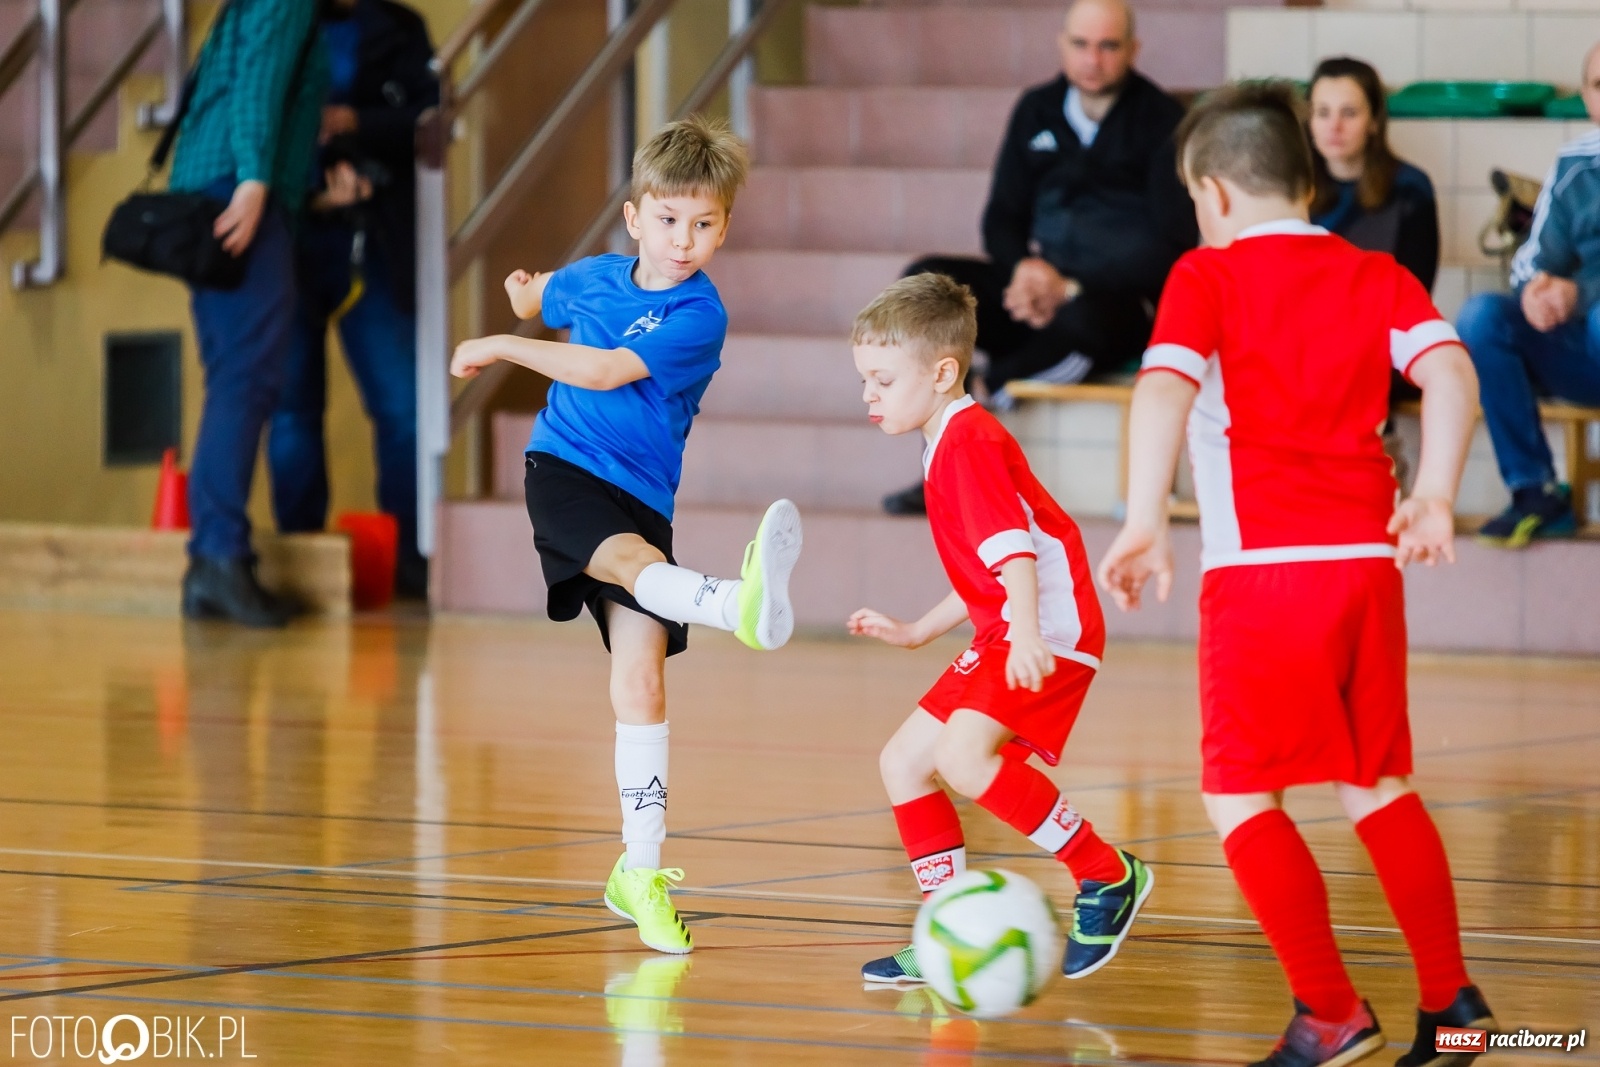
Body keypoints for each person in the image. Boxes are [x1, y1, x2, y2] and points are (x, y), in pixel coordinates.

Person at [1097, 84, 1494, 1067]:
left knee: (1239, 797)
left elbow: (1159, 387)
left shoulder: (1207, 272)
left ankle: (1329, 1010)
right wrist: (1435, 493)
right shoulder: (1373, 270)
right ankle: (1454, 1006)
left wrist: (1144, 517)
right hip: (1368, 565)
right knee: (1375, 782)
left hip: (1264, 575)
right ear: (1308, 180)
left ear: (1213, 192)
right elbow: (1451, 371)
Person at [448, 117, 803, 955]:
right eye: (670, 220)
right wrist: (524, 296)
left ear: (725, 227)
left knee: (641, 679)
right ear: (636, 216)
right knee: (633, 567)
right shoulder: (597, 279)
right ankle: (731, 603)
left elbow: (606, 369)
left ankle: (636, 872)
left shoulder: (699, 314)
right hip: (564, 469)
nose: (686, 241)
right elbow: (545, 297)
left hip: (644, 495)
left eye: (706, 224)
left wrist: (503, 341)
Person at [847, 274, 1153, 985]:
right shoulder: (944, 440)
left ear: (943, 372)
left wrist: (1025, 634)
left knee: (961, 757)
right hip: (1008, 626)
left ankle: (1107, 875)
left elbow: (1014, 549)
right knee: (904, 762)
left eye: (882, 379)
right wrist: (922, 628)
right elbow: (986, 567)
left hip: (1047, 627)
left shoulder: (968, 441)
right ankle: (946, 926)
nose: (869, 395)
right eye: (866, 379)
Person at [884, 0, 1196, 516]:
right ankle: (942, 457)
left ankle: (984, 392)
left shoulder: (1161, 120)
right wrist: (1023, 272)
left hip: (1114, 307)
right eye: (1080, 44)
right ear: (1061, 44)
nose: (1092, 59)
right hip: (1034, 295)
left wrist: (1069, 287)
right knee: (925, 285)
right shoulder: (1037, 109)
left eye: (1108, 46)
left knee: (1088, 320)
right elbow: (1001, 217)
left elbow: (1171, 243)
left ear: (1133, 51)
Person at [268, 0, 439, 599]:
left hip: (376, 243)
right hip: (289, 242)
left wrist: (351, 125)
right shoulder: (277, 23)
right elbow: (254, 127)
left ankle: (411, 560)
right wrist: (313, 186)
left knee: (401, 410)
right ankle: (301, 560)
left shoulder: (399, 27)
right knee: (291, 410)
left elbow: (430, 117)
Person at [171, 0, 328, 627]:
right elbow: (257, 85)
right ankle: (217, 559)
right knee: (247, 380)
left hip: (216, 194)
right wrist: (257, 179)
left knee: (233, 380)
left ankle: (214, 562)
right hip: (239, 200)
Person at [1456, 42, 1600, 547]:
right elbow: (1532, 257)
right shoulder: (1576, 165)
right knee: (1480, 317)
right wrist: (1536, 289)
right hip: (1582, 355)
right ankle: (1533, 491)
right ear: (1585, 97)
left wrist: (1578, 295)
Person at [1308, 56, 1439, 292]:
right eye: (1323, 112)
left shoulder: (1411, 189)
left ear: (1374, 121)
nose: (1334, 126)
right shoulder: (1293, 189)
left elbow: (1416, 294)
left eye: (1348, 113)